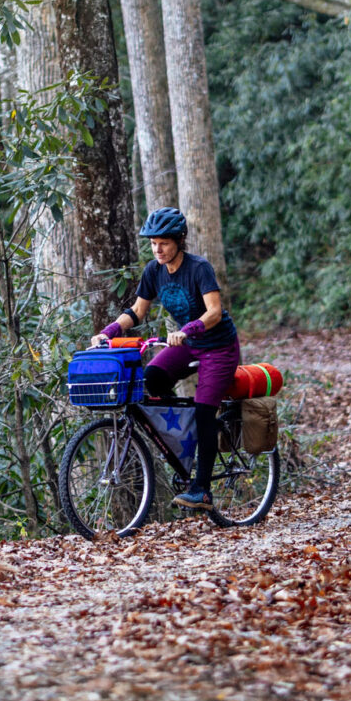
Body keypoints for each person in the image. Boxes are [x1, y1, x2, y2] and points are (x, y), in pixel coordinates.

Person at [92, 207, 240, 511]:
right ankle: (183, 435)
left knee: (204, 411)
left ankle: (202, 490)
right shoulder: (153, 271)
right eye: (153, 243)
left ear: (180, 241)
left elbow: (214, 311)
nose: (158, 249)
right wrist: (108, 331)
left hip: (218, 347)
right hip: (188, 343)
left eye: (165, 243)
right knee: (153, 379)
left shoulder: (199, 268)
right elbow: (137, 311)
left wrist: (188, 329)